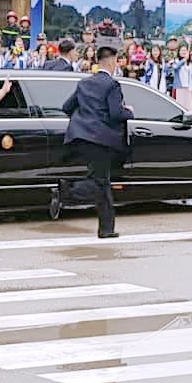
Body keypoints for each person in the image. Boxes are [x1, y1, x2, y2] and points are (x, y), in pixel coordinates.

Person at [59, 44, 131, 238]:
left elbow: (66, 107)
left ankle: (106, 228)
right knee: (99, 182)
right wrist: (129, 111)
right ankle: (65, 192)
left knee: (103, 182)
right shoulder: (112, 85)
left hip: (82, 138)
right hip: (101, 140)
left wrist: (85, 117)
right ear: (113, 62)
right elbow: (116, 113)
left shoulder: (84, 83)